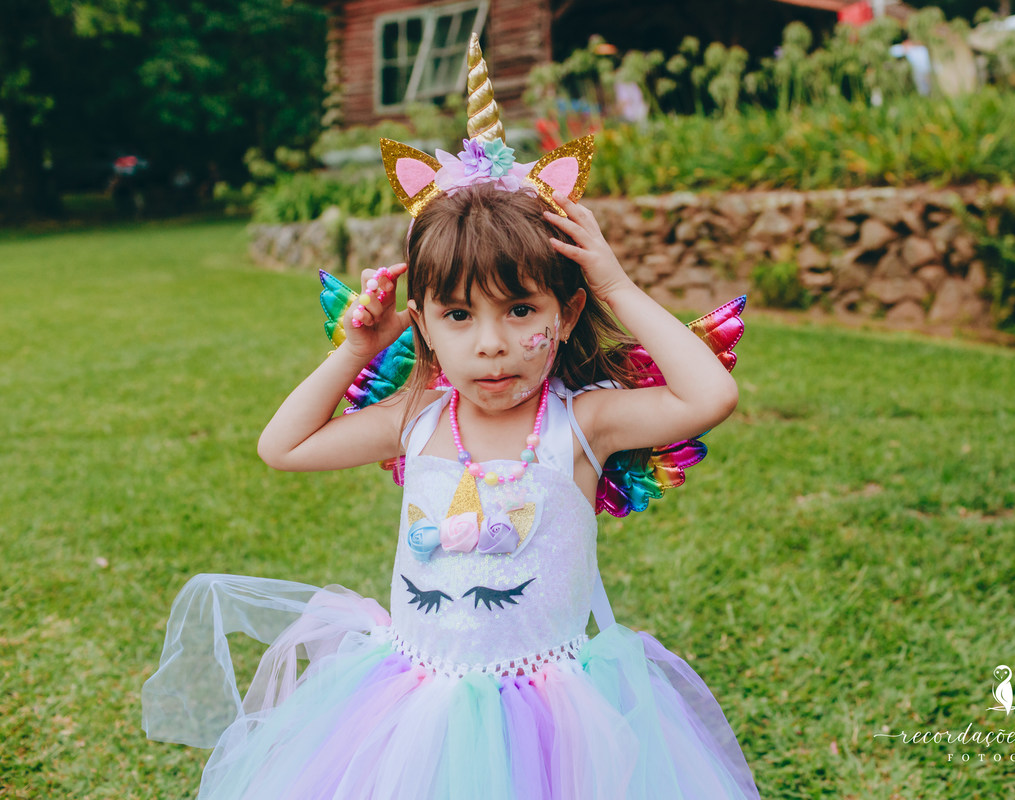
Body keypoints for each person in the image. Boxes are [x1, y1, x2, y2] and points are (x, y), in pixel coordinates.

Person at [142, 35, 758, 800]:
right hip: (413, 709)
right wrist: (354, 351)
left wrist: (616, 285)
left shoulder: (583, 425)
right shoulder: (416, 419)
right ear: (424, 324)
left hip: (549, 715)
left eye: (521, 309)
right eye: (459, 314)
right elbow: (283, 446)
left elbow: (709, 398)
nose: (492, 344)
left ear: (566, 316)